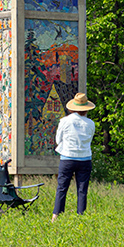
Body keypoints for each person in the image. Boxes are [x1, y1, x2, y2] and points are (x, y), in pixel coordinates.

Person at [52, 92, 96, 221]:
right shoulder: (91, 123)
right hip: (85, 158)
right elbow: (90, 139)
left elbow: (57, 140)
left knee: (62, 187)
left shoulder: (65, 121)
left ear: (71, 108)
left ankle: (56, 215)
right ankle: (81, 216)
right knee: (82, 189)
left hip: (68, 157)